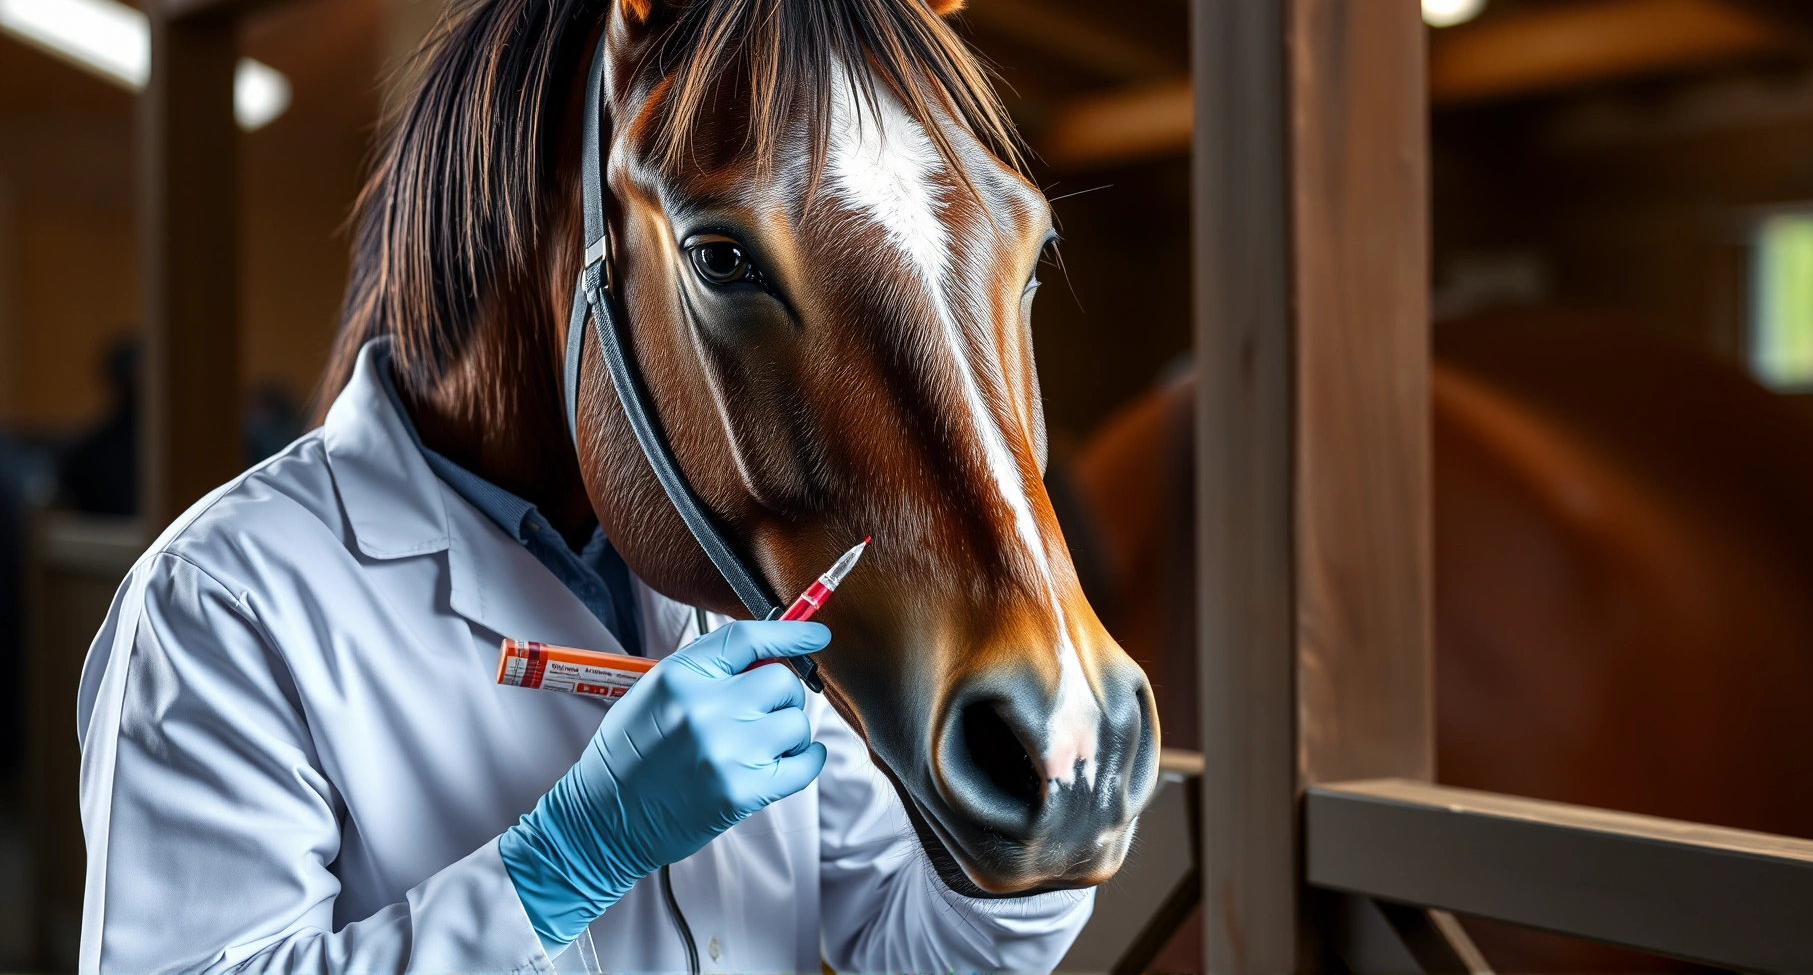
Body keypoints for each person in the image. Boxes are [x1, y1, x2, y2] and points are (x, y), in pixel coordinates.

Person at [75, 340, 1092, 973]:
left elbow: (909, 950)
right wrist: (563, 863)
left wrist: (1036, 843)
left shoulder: (726, 567)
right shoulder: (218, 599)